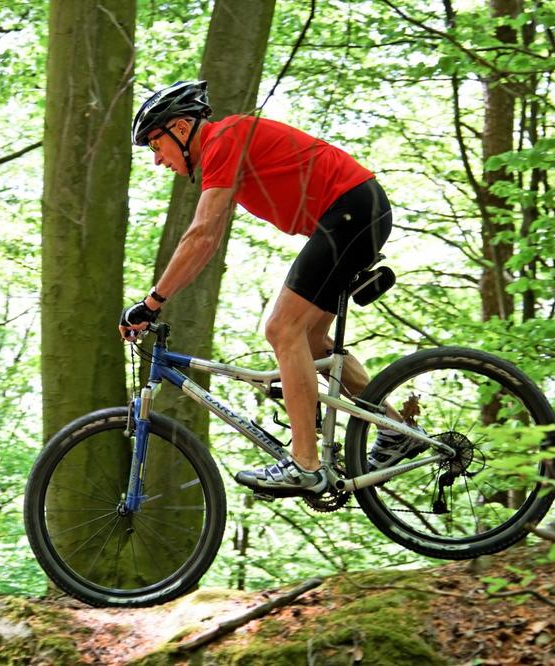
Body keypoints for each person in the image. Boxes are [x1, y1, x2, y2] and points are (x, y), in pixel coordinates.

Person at [119, 81, 423, 496]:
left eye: (157, 145)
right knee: (310, 341)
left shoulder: (223, 139)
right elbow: (207, 243)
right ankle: (395, 430)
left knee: (282, 329)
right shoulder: (225, 152)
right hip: (355, 213)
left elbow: (201, 234)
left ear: (182, 128)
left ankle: (305, 464)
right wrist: (158, 300)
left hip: (350, 211)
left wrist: (152, 303)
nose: (157, 159)